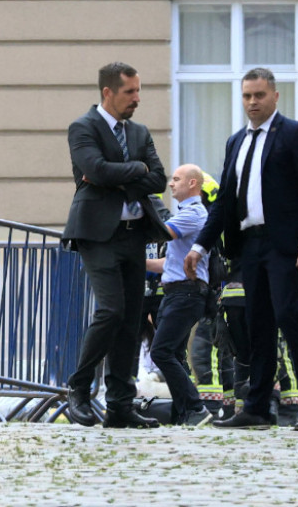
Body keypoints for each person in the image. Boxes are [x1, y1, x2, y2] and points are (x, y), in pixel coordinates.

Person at [185, 66, 298, 431]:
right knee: (258, 325)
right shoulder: (235, 142)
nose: (253, 102)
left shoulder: (295, 134)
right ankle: (257, 407)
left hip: (285, 244)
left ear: (275, 96)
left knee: (288, 316)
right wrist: (201, 246)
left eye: (259, 95)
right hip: (248, 245)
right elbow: (222, 203)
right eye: (247, 96)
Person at [64, 62, 169, 429]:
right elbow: (95, 167)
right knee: (110, 311)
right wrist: (135, 171)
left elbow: (157, 178)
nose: (137, 99)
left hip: (135, 234)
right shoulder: (83, 127)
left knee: (130, 319)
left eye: (139, 91)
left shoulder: (139, 132)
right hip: (97, 233)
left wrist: (121, 174)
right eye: (130, 92)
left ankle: (120, 404)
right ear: (108, 92)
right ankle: (78, 389)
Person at [145, 164, 214, 426]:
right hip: (178, 292)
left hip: (185, 293)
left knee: (161, 352)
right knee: (172, 353)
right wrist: (137, 263)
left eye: (176, 179)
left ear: (193, 184)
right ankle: (184, 413)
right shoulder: (186, 213)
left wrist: (145, 203)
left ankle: (195, 408)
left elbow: (162, 231)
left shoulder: (193, 213)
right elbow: (169, 263)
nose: (171, 184)